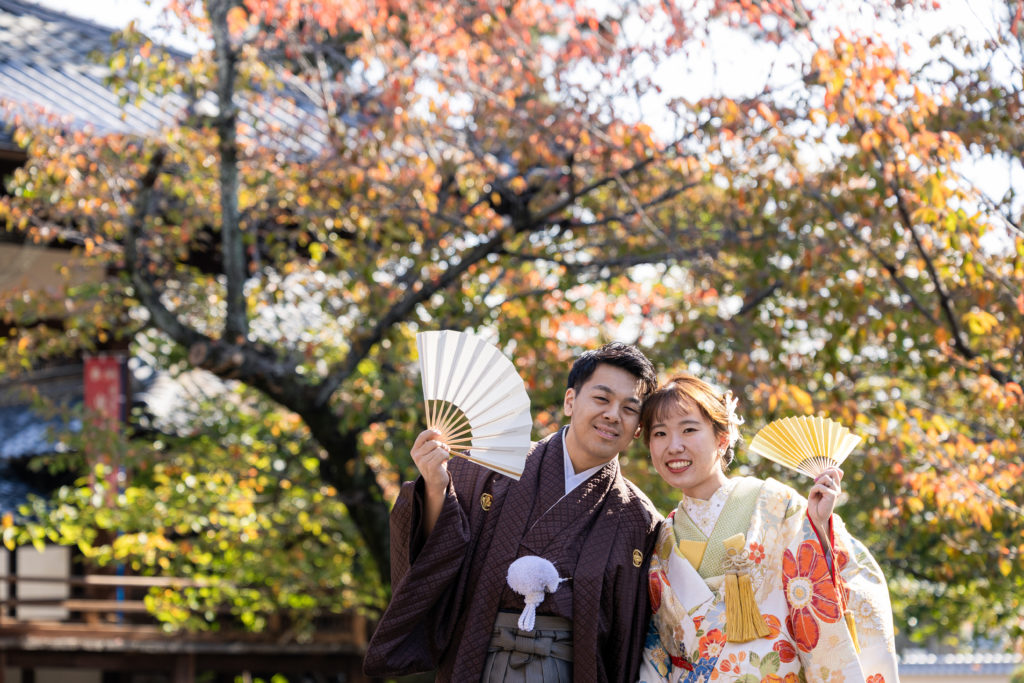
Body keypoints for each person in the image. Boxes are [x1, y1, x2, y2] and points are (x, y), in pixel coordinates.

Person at [363, 342, 663, 682]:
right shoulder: (489, 469)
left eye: (629, 408)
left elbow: (631, 636)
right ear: (570, 401)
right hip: (480, 662)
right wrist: (434, 487)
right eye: (601, 399)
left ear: (638, 428)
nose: (612, 414)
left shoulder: (639, 520)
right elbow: (433, 560)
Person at [636, 374, 900, 683]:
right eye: (660, 433)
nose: (674, 446)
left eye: (689, 429)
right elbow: (655, 648)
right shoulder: (659, 538)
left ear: (722, 439)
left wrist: (819, 531)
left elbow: (837, 586)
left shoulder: (777, 506)